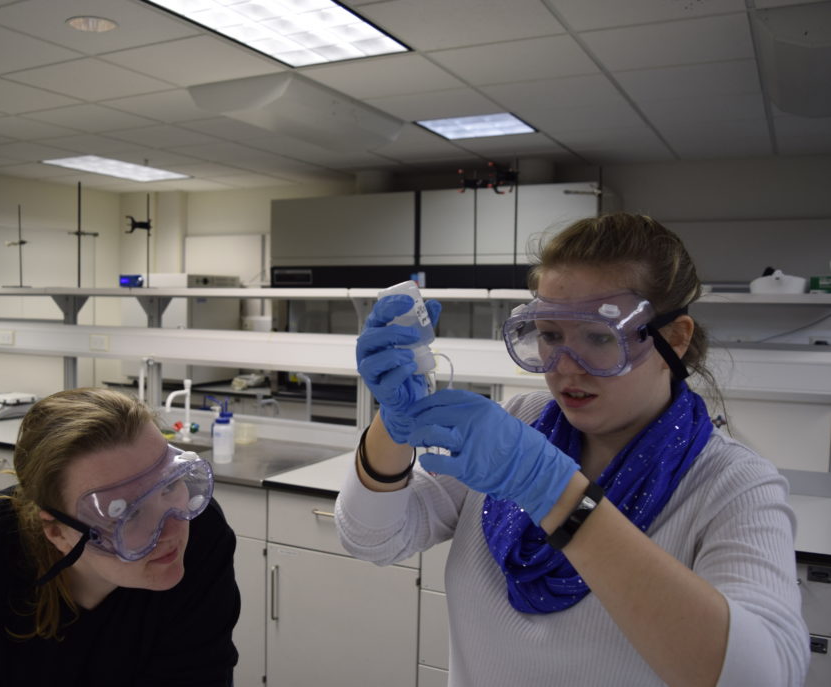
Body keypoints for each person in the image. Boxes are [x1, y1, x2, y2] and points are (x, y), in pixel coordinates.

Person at [338, 213, 809, 686]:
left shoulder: (732, 485)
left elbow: (763, 675)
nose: (565, 367)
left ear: (675, 338)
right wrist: (397, 421)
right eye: (550, 335)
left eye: (600, 337)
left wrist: (553, 489)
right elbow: (373, 537)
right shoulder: (522, 421)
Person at [0, 388, 240, 686]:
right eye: (127, 513)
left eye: (169, 484)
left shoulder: (203, 537)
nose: (172, 530)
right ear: (57, 531)